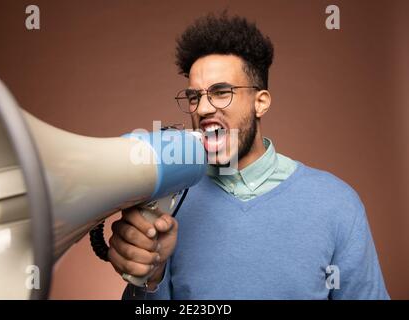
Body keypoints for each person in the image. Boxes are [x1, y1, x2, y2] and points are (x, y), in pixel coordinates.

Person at [108, 13, 389, 299]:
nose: (202, 108)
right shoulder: (171, 201)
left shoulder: (337, 204)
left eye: (221, 92)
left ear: (261, 103)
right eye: (194, 97)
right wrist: (150, 278)